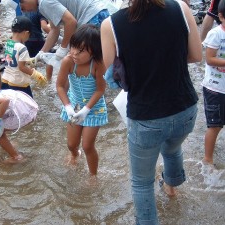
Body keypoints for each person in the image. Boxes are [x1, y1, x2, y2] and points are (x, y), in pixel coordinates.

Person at [100, 0, 202, 224]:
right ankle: (172, 187)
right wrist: (166, 61)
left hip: (146, 117)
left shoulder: (111, 25)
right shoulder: (181, 8)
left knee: (142, 183)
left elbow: (114, 78)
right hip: (186, 109)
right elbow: (196, 55)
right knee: (172, 147)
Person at [56, 24, 107, 182]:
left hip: (94, 108)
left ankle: (93, 175)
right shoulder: (68, 62)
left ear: (94, 51)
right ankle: (74, 155)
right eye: (73, 48)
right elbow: (59, 86)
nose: (75, 53)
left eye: (81, 51)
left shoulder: (98, 64)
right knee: (72, 144)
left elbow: (100, 90)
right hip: (74, 105)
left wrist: (86, 109)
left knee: (87, 146)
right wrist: (68, 106)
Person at [19, 0, 110, 63]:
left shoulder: (44, 3)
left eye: (22, 7)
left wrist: (63, 48)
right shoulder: (43, 5)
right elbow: (54, 30)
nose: (25, 11)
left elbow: (71, 22)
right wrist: (40, 54)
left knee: (87, 62)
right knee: (100, 58)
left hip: (92, 17)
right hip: (100, 11)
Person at [202, 0, 225, 167]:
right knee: (215, 125)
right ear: (221, 16)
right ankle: (207, 159)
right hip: (215, 88)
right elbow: (209, 59)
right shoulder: (216, 34)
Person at [1, 16, 47, 97]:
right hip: (18, 84)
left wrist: (28, 60)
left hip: (6, 80)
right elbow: (21, 67)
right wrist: (35, 74)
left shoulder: (9, 43)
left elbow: (11, 59)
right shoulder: (22, 48)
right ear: (26, 33)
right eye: (29, 35)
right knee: (29, 105)